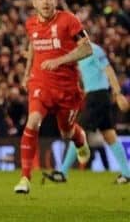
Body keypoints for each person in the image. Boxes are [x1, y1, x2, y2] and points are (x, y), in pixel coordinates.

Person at [14, 0, 93, 194]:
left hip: (67, 88)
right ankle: (25, 178)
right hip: (40, 84)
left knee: (66, 132)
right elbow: (32, 45)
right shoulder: (30, 24)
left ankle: (80, 139)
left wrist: (60, 61)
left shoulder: (69, 20)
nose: (46, 2)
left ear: (56, 1)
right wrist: (26, 72)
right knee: (33, 121)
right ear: (34, 3)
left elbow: (87, 49)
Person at [42, 42, 130, 184]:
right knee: (109, 135)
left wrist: (118, 93)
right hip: (95, 96)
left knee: (78, 133)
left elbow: (108, 70)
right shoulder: (77, 53)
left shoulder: (94, 49)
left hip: (97, 96)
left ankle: (63, 172)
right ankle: (127, 173)